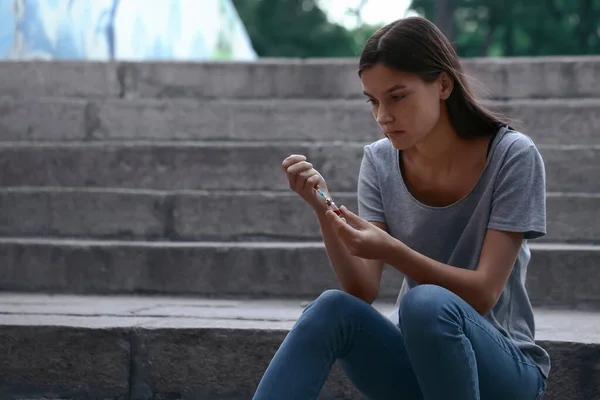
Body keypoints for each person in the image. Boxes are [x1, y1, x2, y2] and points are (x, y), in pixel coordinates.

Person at [253, 16, 549, 400]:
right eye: (373, 101)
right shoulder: (379, 161)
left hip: (505, 368)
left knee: (425, 303)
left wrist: (395, 251)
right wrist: (322, 210)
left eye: (397, 96)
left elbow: (483, 294)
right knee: (332, 309)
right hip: (419, 364)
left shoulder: (513, 155)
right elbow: (362, 288)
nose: (382, 116)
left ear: (443, 84)